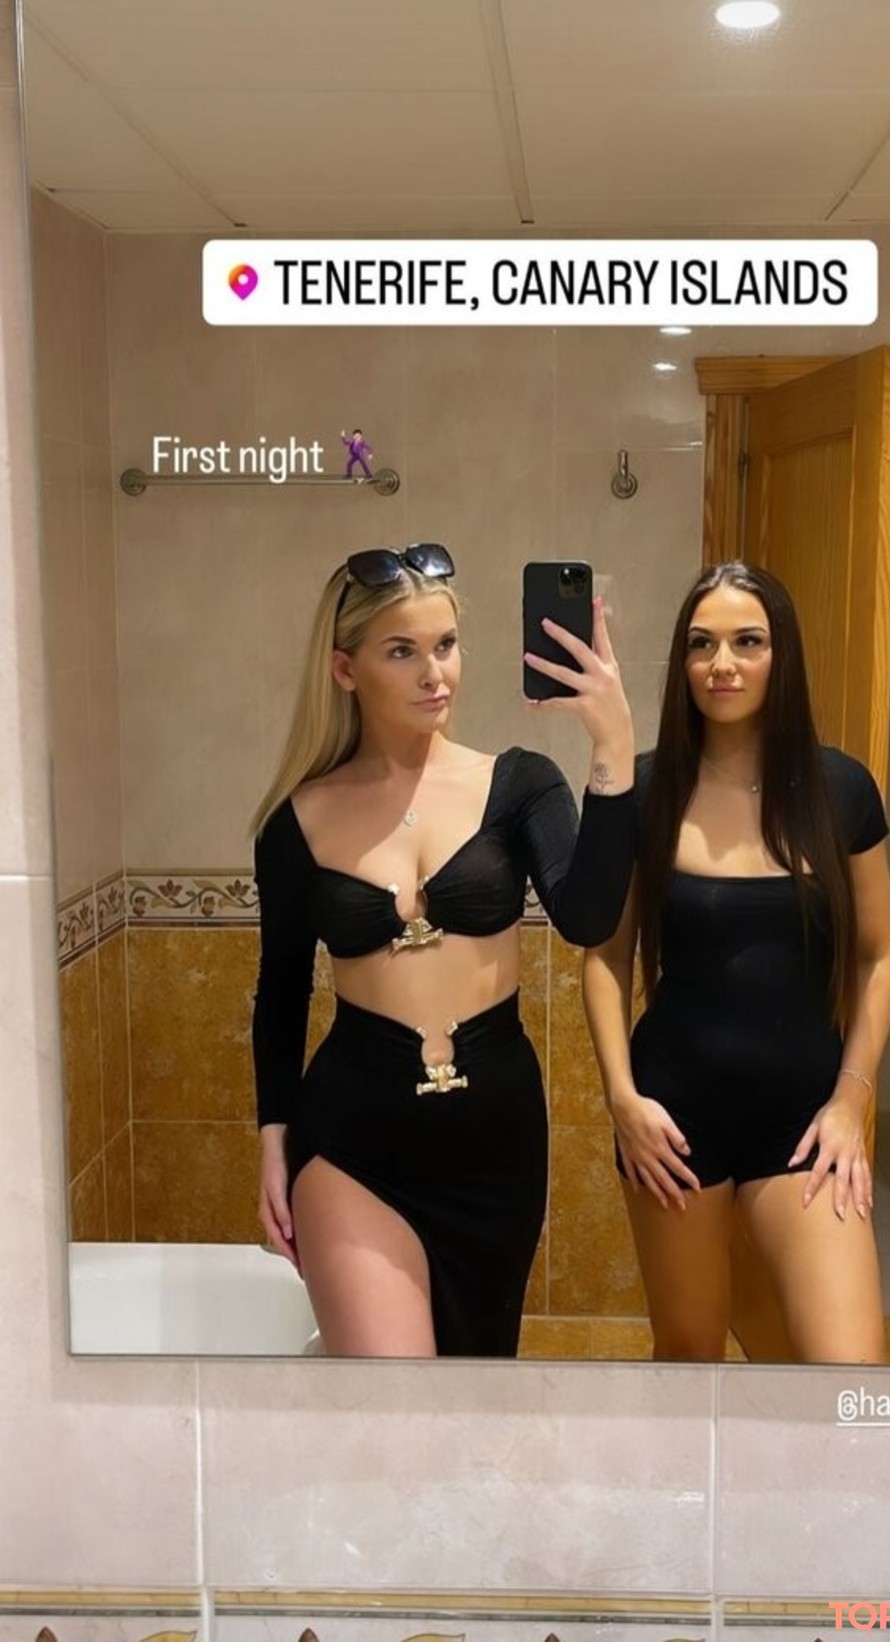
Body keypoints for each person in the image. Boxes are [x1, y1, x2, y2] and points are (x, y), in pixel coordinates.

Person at [251, 543, 635, 1358]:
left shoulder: (521, 784)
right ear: (345, 669)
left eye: (446, 646)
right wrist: (272, 1142)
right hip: (352, 1143)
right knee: (396, 1405)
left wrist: (613, 748)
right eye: (403, 651)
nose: (436, 674)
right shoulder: (295, 822)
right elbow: (280, 994)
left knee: (472, 1398)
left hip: (493, 1147)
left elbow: (590, 917)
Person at [582, 561, 890, 1364]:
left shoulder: (841, 790)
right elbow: (606, 957)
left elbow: (877, 956)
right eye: (702, 644)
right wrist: (621, 1099)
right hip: (671, 1120)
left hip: (806, 1119)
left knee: (848, 1370)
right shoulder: (645, 791)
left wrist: (849, 1103)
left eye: (747, 642)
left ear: (780, 654)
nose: (721, 664)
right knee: (689, 1353)